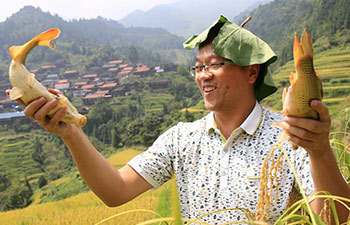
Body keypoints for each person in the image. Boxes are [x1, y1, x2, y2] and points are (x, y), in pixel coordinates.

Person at [12, 15, 350, 224]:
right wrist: (70, 133)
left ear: (251, 72)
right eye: (198, 67)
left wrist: (319, 150)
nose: (202, 76)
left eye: (214, 64)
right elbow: (116, 191)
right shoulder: (182, 139)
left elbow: (335, 218)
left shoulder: (290, 135)